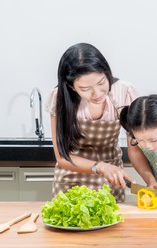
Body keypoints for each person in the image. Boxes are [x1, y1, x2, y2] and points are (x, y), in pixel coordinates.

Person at [45, 42, 137, 202]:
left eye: (101, 83)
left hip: (111, 179)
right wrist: (100, 167)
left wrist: (149, 179)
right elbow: (63, 157)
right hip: (70, 180)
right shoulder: (59, 98)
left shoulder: (124, 92)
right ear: (71, 86)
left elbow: (135, 148)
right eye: (85, 89)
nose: (97, 93)